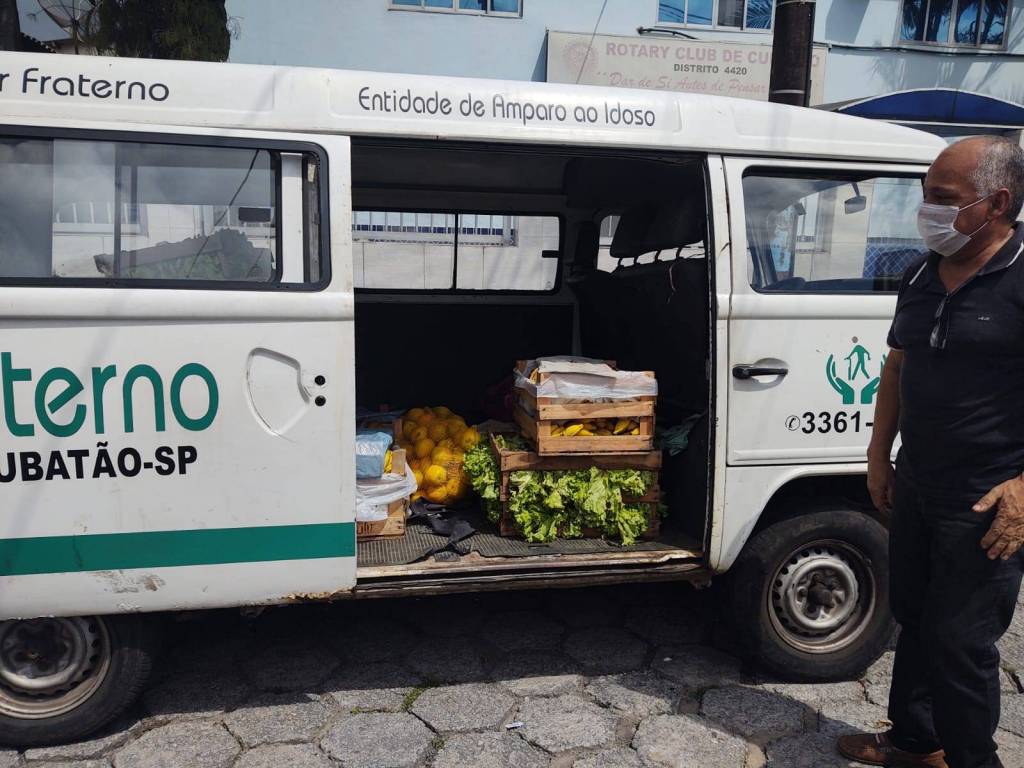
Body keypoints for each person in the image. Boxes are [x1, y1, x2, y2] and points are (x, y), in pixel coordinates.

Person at [838, 136, 1024, 768]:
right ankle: (916, 740)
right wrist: (878, 456)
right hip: (918, 480)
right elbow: (898, 365)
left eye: (943, 198)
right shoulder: (921, 272)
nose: (927, 211)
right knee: (914, 615)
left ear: (997, 202)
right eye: (925, 196)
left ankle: (973, 759)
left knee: (961, 639)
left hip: (988, 496)